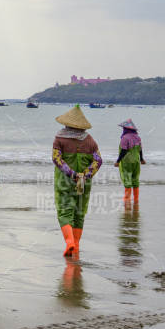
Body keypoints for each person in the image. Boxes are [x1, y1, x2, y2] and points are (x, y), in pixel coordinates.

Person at [51, 105, 101, 257]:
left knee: (65, 211)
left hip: (64, 182)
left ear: (66, 123)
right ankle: (77, 245)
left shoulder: (59, 138)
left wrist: (72, 174)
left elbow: (56, 159)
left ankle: (69, 242)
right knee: (79, 212)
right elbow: (98, 160)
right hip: (83, 183)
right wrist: (85, 175)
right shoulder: (90, 140)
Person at [117, 119, 144, 205]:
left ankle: (127, 200)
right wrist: (142, 159)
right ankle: (136, 200)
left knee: (127, 181)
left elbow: (123, 151)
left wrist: (118, 161)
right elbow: (140, 150)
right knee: (135, 180)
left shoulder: (125, 138)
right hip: (136, 161)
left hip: (127, 162)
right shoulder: (138, 137)